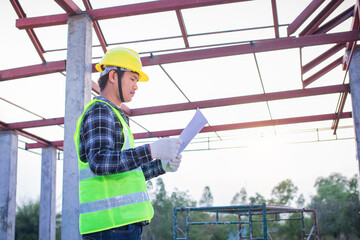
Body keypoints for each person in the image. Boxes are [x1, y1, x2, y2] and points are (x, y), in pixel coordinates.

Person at [73, 47, 183, 239]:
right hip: (111, 227)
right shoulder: (100, 110)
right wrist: (151, 150)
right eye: (132, 78)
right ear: (114, 76)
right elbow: (99, 161)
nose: (136, 86)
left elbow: (126, 172)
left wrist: (161, 165)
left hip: (119, 226)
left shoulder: (116, 115)